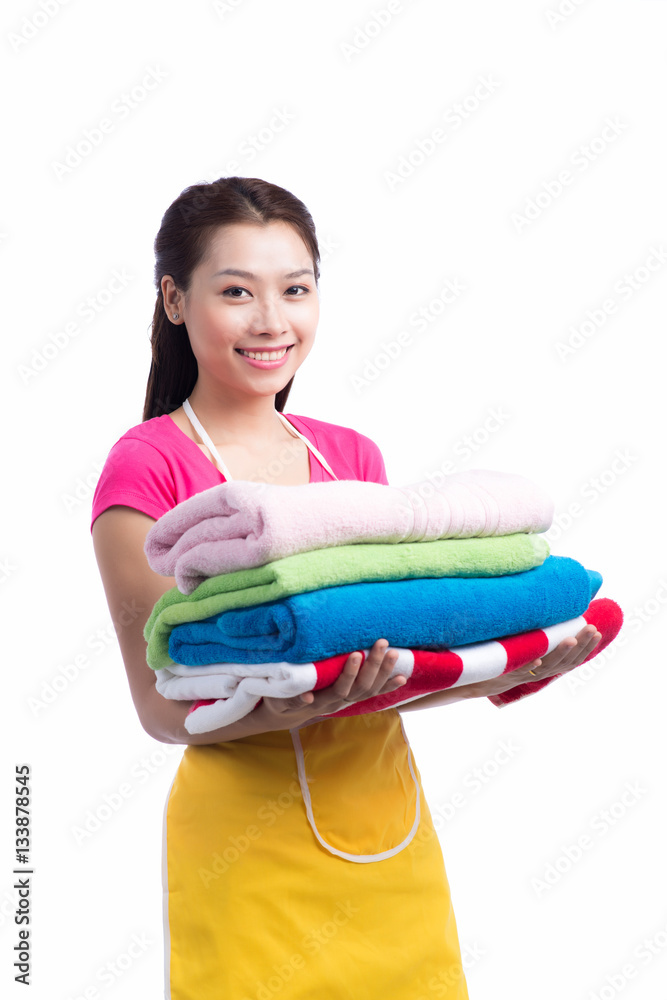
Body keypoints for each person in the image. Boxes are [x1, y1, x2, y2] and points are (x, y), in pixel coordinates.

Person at [90, 176, 601, 999]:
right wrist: (276, 707)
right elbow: (161, 706)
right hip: (244, 853)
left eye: (295, 289)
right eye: (235, 291)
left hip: (385, 825)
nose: (271, 321)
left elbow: (379, 675)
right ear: (175, 301)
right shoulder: (148, 465)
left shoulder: (350, 460)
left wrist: (495, 673)